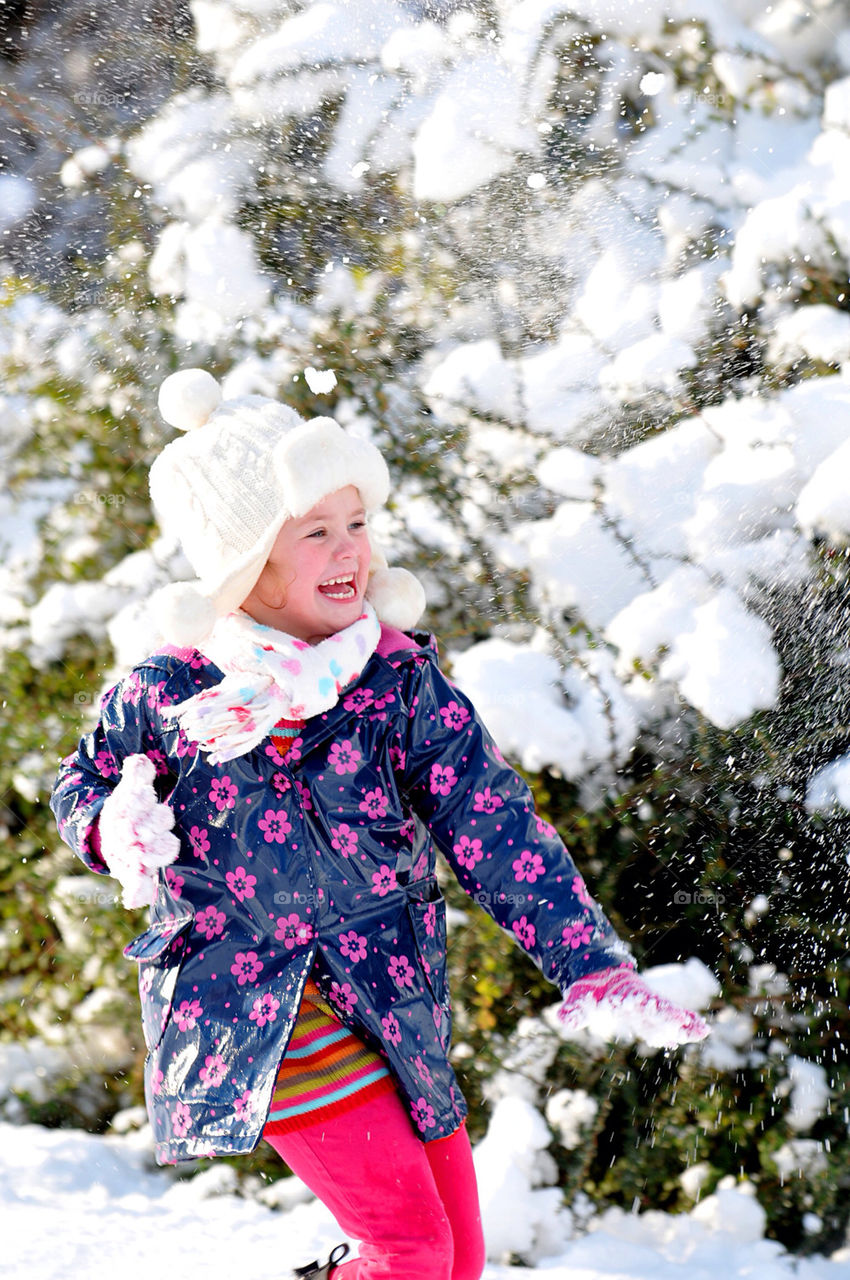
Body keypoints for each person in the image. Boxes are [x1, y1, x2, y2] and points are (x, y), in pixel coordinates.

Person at [50, 370, 709, 1280]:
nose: (348, 549)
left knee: (457, 1260)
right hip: (256, 1003)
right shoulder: (168, 693)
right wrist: (111, 823)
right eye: (315, 531)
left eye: (356, 524)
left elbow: (494, 824)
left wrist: (589, 963)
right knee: (410, 1249)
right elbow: (83, 783)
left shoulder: (394, 682)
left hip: (390, 992)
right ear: (247, 558)